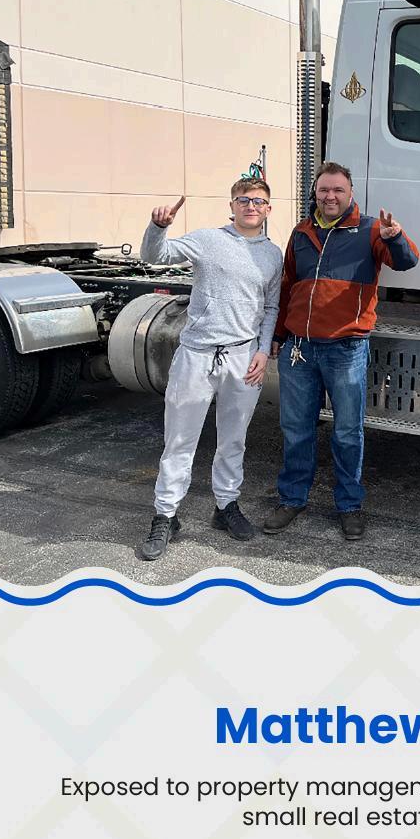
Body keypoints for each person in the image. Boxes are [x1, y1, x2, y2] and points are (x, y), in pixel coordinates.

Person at [264, 161, 419, 540]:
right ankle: (292, 499)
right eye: (324, 190)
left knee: (348, 432)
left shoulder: (370, 230)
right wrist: (280, 334)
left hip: (346, 349)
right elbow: (288, 285)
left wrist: (396, 237)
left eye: (338, 190)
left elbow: (406, 261)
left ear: (350, 194)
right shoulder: (301, 232)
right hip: (299, 350)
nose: (330, 196)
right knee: (296, 430)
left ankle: (349, 505)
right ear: (315, 193)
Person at [137, 179, 283, 561]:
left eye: (259, 201)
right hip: (197, 355)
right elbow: (155, 255)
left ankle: (226, 505)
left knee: (233, 439)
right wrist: (158, 227)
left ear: (268, 209)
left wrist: (263, 350)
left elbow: (271, 307)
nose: (251, 206)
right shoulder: (207, 240)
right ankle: (166, 515)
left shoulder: (273, 255)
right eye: (243, 200)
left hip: (243, 357)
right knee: (179, 440)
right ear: (231, 206)